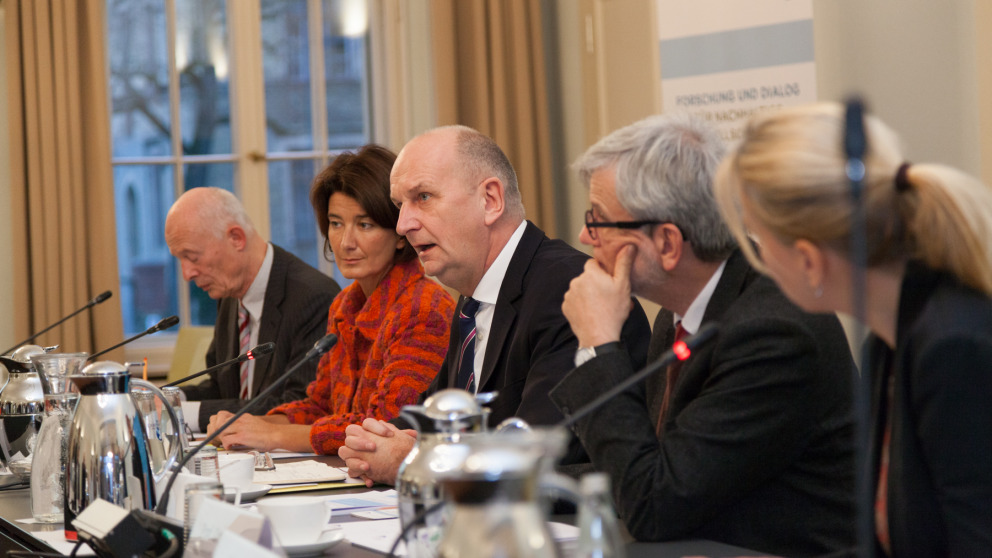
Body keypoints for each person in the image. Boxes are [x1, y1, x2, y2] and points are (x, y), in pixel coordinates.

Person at [548, 113, 857, 557]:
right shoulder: (677, 315)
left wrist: (599, 345)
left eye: (598, 219)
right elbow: (646, 466)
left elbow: (655, 506)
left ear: (668, 244)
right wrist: (522, 483)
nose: (583, 235)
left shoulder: (773, 333)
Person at [713, 102, 992, 557]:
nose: (759, 260)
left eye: (761, 240)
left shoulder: (952, 346)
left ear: (808, 260)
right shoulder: (891, 336)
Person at [339, 125, 651, 485]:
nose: (403, 224)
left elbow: (539, 449)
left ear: (490, 200)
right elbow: (435, 413)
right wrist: (373, 443)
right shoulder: (474, 298)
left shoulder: (566, 290)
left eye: (422, 197)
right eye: (399, 206)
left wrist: (414, 461)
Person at [205, 145, 454, 454]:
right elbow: (321, 406)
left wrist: (272, 437)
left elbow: (384, 427)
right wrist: (249, 425)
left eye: (365, 225)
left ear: (400, 232)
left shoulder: (424, 310)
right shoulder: (345, 305)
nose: (345, 242)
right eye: (336, 224)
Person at [165, 187, 341, 432]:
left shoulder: (313, 297)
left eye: (192, 257)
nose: (187, 274)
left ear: (236, 238)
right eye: (179, 259)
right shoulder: (229, 293)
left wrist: (187, 415)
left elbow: (300, 405)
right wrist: (169, 398)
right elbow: (223, 387)